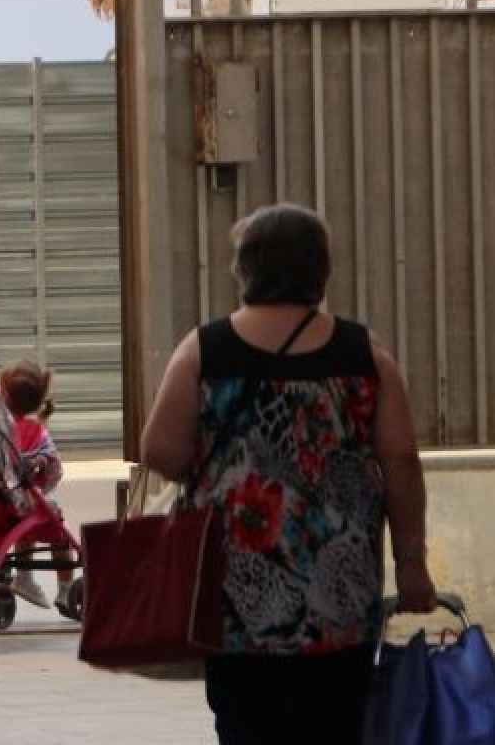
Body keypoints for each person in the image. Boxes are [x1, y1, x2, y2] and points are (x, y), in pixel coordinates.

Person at [140, 204, 436, 745]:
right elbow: (401, 464)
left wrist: (221, 469)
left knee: (244, 726)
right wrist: (411, 563)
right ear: (320, 270)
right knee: (335, 727)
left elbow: (159, 450)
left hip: (233, 596)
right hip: (340, 598)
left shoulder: (204, 350)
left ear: (245, 269)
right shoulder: (364, 355)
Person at [0, 360, 76, 617]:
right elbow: (54, 469)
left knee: (23, 524)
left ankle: (24, 575)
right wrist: (43, 484)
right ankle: (65, 589)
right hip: (25, 502)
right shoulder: (37, 433)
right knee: (55, 526)